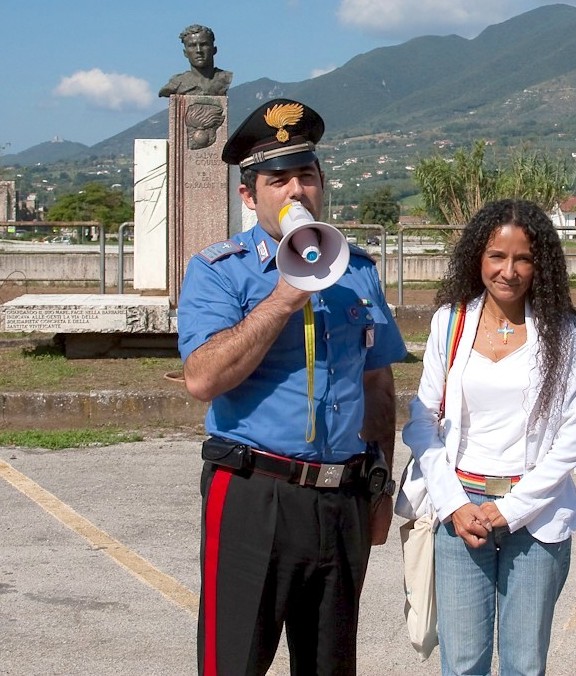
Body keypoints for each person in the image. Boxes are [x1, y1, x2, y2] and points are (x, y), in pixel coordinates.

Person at [177, 98, 407, 675]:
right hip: (255, 492)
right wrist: (284, 295)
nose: (296, 192)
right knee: (234, 660)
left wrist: (380, 485)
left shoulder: (356, 270)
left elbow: (378, 384)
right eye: (278, 180)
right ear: (249, 196)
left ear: (322, 184)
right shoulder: (218, 270)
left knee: (330, 664)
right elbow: (203, 377)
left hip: (343, 496)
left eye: (306, 176)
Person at [396, 199, 576, 676]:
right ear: (477, 258)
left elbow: (572, 437)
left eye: (523, 258)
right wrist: (453, 504)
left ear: (540, 263)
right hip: (461, 509)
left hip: (536, 514)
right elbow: (423, 421)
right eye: (496, 256)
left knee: (525, 664)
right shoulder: (451, 322)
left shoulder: (564, 333)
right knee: (462, 663)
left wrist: (511, 509)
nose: (509, 271)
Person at [158, 24, 233, 97]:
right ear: (185, 53)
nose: (198, 50)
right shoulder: (176, 83)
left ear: (214, 50)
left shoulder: (225, 78)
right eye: (192, 46)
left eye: (203, 45)